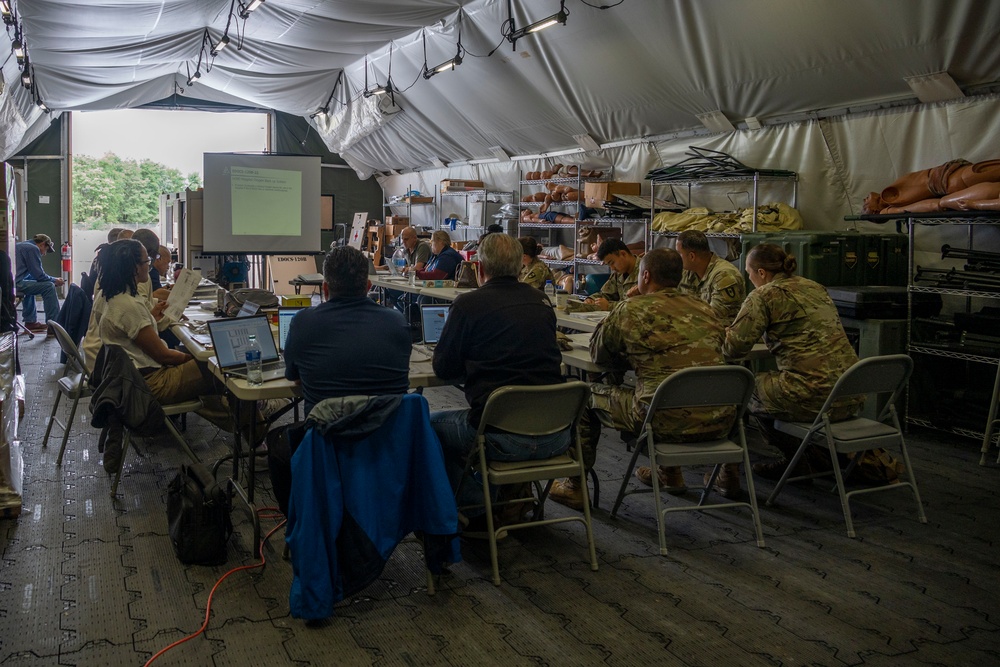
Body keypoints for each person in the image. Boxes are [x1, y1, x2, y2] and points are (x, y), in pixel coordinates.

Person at [550, 248, 735, 509]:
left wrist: (627, 304)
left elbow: (598, 354)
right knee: (665, 391)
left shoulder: (631, 309)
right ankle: (670, 473)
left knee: (583, 395)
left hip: (661, 420)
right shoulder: (705, 308)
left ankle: (573, 487)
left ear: (645, 276)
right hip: (720, 418)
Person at [429, 233, 568, 523]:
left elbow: (442, 368)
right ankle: (510, 496)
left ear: (479, 267)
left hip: (499, 434)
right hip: (556, 434)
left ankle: (477, 505)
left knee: (425, 426)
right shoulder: (542, 301)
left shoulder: (468, 305)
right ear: (520, 267)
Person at [269, 245, 412, 513]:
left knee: (277, 441)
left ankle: (303, 524)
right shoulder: (396, 322)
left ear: (324, 289)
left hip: (326, 442)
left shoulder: (303, 322)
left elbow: (293, 377)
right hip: (385, 442)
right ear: (369, 285)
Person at [723, 243, 863, 480]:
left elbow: (732, 350)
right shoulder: (815, 287)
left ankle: (734, 471)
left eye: (749, 273)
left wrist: (727, 331)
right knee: (769, 386)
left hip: (813, 397)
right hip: (850, 393)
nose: (750, 279)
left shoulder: (763, 295)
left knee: (746, 388)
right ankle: (811, 458)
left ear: (761, 273)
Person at [94, 240, 230, 472]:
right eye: (147, 261)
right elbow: (164, 356)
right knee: (221, 367)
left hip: (129, 382)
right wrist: (200, 356)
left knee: (210, 383)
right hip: (149, 384)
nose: (150, 265)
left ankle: (249, 425)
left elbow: (137, 337)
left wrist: (152, 319)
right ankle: (256, 428)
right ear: (134, 267)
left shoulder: (113, 298)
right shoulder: (129, 307)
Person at [676, 229, 746, 323]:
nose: (677, 257)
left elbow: (714, 317)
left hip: (721, 333)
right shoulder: (687, 272)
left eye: (679, 253)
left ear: (692, 256)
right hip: (697, 329)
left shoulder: (724, 275)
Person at [14, 233, 64, 334]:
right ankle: (54, 326)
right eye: (45, 250)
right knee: (49, 287)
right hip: (16, 284)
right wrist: (54, 280)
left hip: (11, 282)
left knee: (32, 282)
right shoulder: (33, 249)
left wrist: (50, 279)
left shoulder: (22, 245)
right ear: (42, 244)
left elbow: (35, 276)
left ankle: (30, 322)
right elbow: (39, 275)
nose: (44, 254)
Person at [582, 238, 640, 311]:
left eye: (612, 263)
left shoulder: (646, 271)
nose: (612, 268)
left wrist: (609, 306)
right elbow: (605, 294)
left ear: (623, 254)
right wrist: (591, 299)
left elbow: (642, 305)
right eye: (609, 265)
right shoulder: (618, 274)